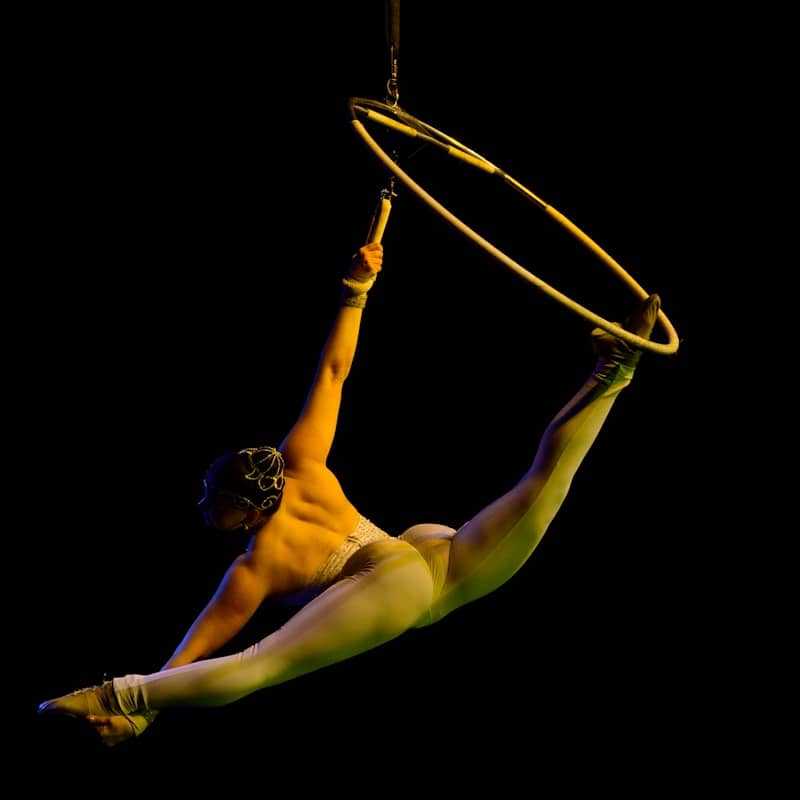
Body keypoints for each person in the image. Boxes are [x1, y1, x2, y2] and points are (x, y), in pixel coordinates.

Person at [38, 238, 662, 747]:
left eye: (214, 499)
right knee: (544, 482)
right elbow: (334, 373)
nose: (204, 505)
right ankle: (617, 366)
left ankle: (111, 691)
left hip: (397, 581)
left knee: (262, 665)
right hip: (435, 563)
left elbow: (200, 658)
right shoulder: (301, 461)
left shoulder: (255, 568)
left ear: (250, 508)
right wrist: (355, 291)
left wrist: (138, 706)